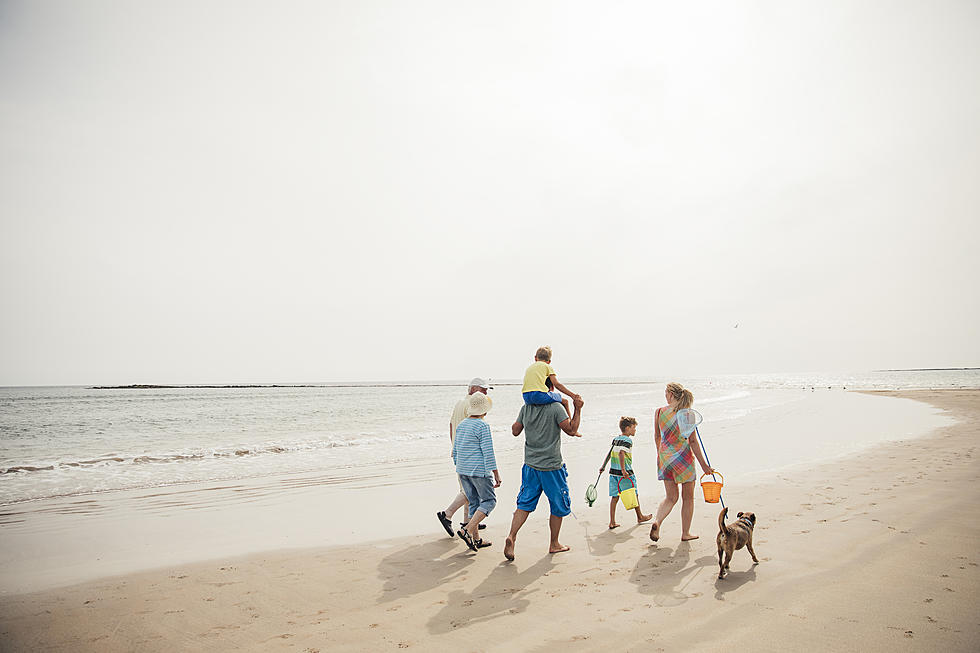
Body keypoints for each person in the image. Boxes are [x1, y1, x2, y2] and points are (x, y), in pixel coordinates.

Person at [503, 393, 584, 561]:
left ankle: (512, 535)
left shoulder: (526, 408)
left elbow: (515, 431)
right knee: (558, 506)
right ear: (550, 388)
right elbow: (572, 430)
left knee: (524, 503)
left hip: (530, 466)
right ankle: (554, 543)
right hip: (552, 467)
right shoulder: (555, 408)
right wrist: (578, 408)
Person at [649, 383, 716, 542]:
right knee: (688, 498)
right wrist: (704, 465)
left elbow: (657, 437)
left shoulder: (659, 412)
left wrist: (661, 455)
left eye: (666, 393)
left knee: (670, 498)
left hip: (665, 458)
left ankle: (657, 521)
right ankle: (685, 533)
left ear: (671, 394)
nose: (665, 396)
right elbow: (692, 441)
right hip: (684, 458)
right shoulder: (688, 414)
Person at [437, 378, 491, 537]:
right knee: (470, 490)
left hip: (459, 451)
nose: (486, 393)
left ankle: (469, 523)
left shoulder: (459, 403)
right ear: (474, 389)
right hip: (470, 454)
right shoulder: (474, 406)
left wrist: (454, 447)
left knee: (467, 489)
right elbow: (478, 435)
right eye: (484, 390)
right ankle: (447, 514)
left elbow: (451, 425)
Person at [451, 392, 501, 551]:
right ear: (485, 411)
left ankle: (476, 539)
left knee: (474, 503)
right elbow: (488, 451)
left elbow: (455, 450)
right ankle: (467, 530)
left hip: (463, 470)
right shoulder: (482, 426)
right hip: (479, 471)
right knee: (489, 501)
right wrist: (496, 474)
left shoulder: (462, 425)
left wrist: (459, 466)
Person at [599, 416, 652, 529]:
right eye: (633, 427)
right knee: (634, 492)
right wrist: (623, 470)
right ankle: (640, 516)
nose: (635, 430)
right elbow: (621, 453)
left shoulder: (616, 439)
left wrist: (603, 466)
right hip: (625, 473)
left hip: (613, 473)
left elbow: (610, 453)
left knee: (615, 497)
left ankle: (612, 522)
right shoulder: (628, 440)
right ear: (627, 428)